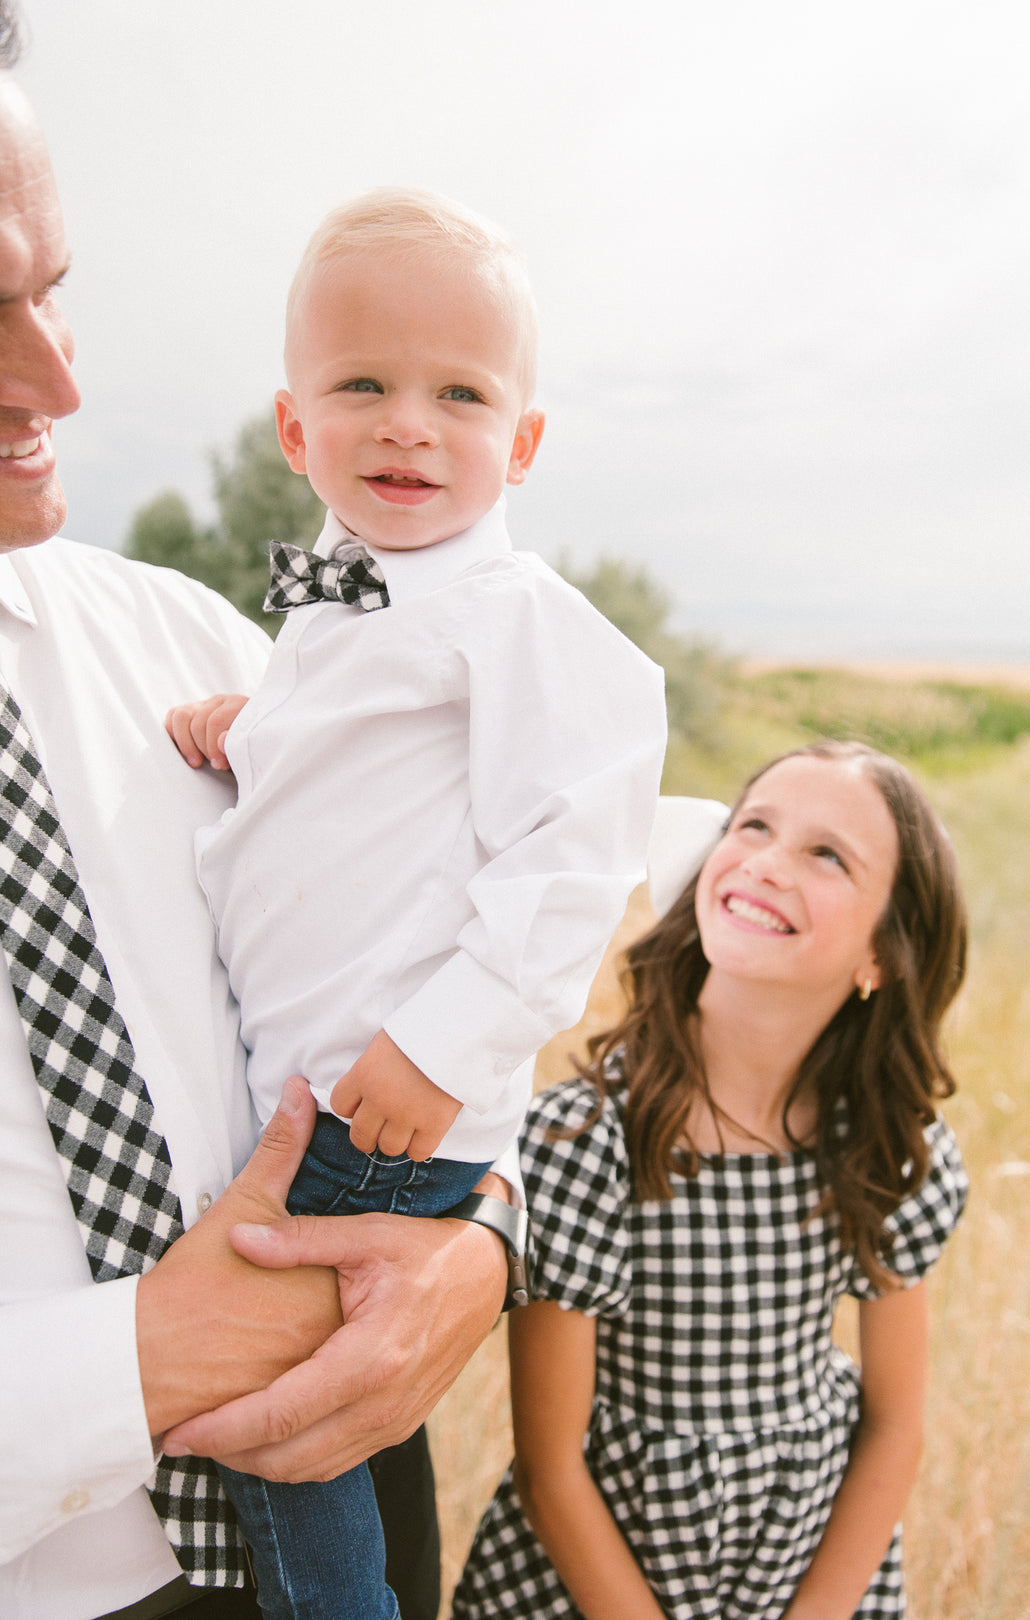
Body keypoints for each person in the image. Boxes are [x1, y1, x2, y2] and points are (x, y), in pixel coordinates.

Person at [0, 21, 516, 1620]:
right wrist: (143, 1361)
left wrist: (480, 1251)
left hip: (353, 1526)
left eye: (51, 285)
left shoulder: (207, 645)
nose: (60, 379)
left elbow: (469, 960)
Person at [164, 187, 667, 1619]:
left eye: (459, 394)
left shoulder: (516, 618)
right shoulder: (340, 609)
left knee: (285, 1409)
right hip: (326, 1098)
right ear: (292, 426)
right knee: (303, 1406)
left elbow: (573, 859)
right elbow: (347, 776)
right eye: (362, 386)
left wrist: (441, 1048)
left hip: (387, 1106)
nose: (407, 425)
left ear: (521, 443)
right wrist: (245, 723)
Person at [454, 740, 970, 1620]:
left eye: (826, 854)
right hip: (608, 1580)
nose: (767, 862)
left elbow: (892, 1430)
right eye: (753, 825)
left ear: (880, 956)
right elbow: (553, 1472)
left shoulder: (885, 1148)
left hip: (807, 1567)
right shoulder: (587, 1143)